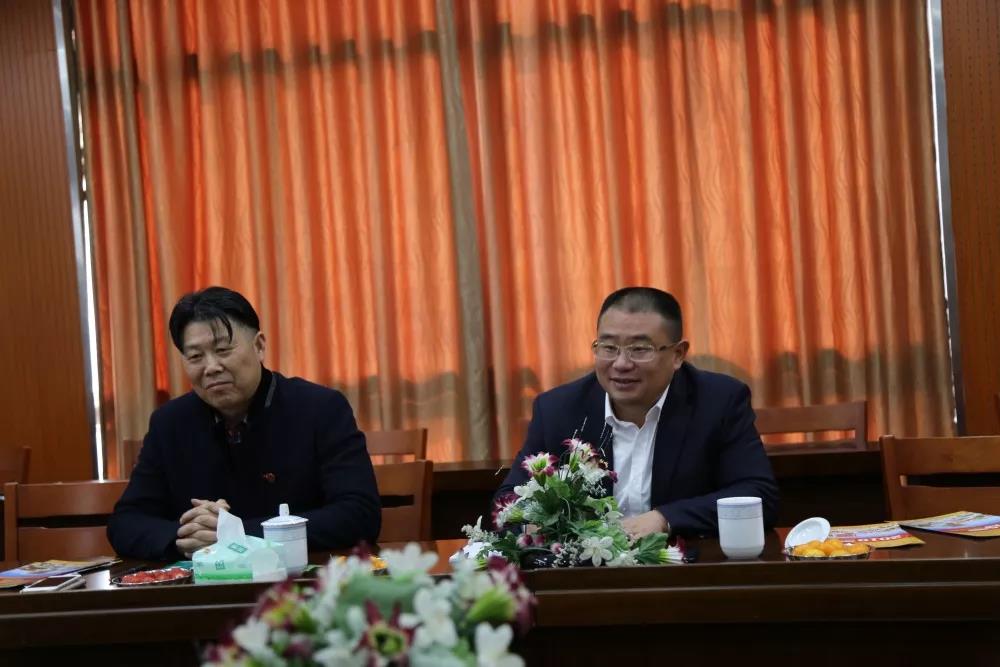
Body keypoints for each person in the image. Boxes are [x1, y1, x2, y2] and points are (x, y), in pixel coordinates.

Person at [108, 287, 381, 560]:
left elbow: (359, 514)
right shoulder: (169, 423)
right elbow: (126, 522)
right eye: (195, 357)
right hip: (202, 583)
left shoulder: (320, 409)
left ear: (259, 346)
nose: (211, 367)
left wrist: (235, 534)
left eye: (223, 350)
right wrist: (185, 538)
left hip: (297, 579)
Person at [495, 287, 778, 538]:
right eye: (608, 347)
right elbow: (508, 500)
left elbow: (759, 496)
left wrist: (666, 519)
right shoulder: (558, 409)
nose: (621, 364)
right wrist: (533, 526)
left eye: (640, 349)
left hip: (684, 569)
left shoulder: (718, 402)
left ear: (678, 354)